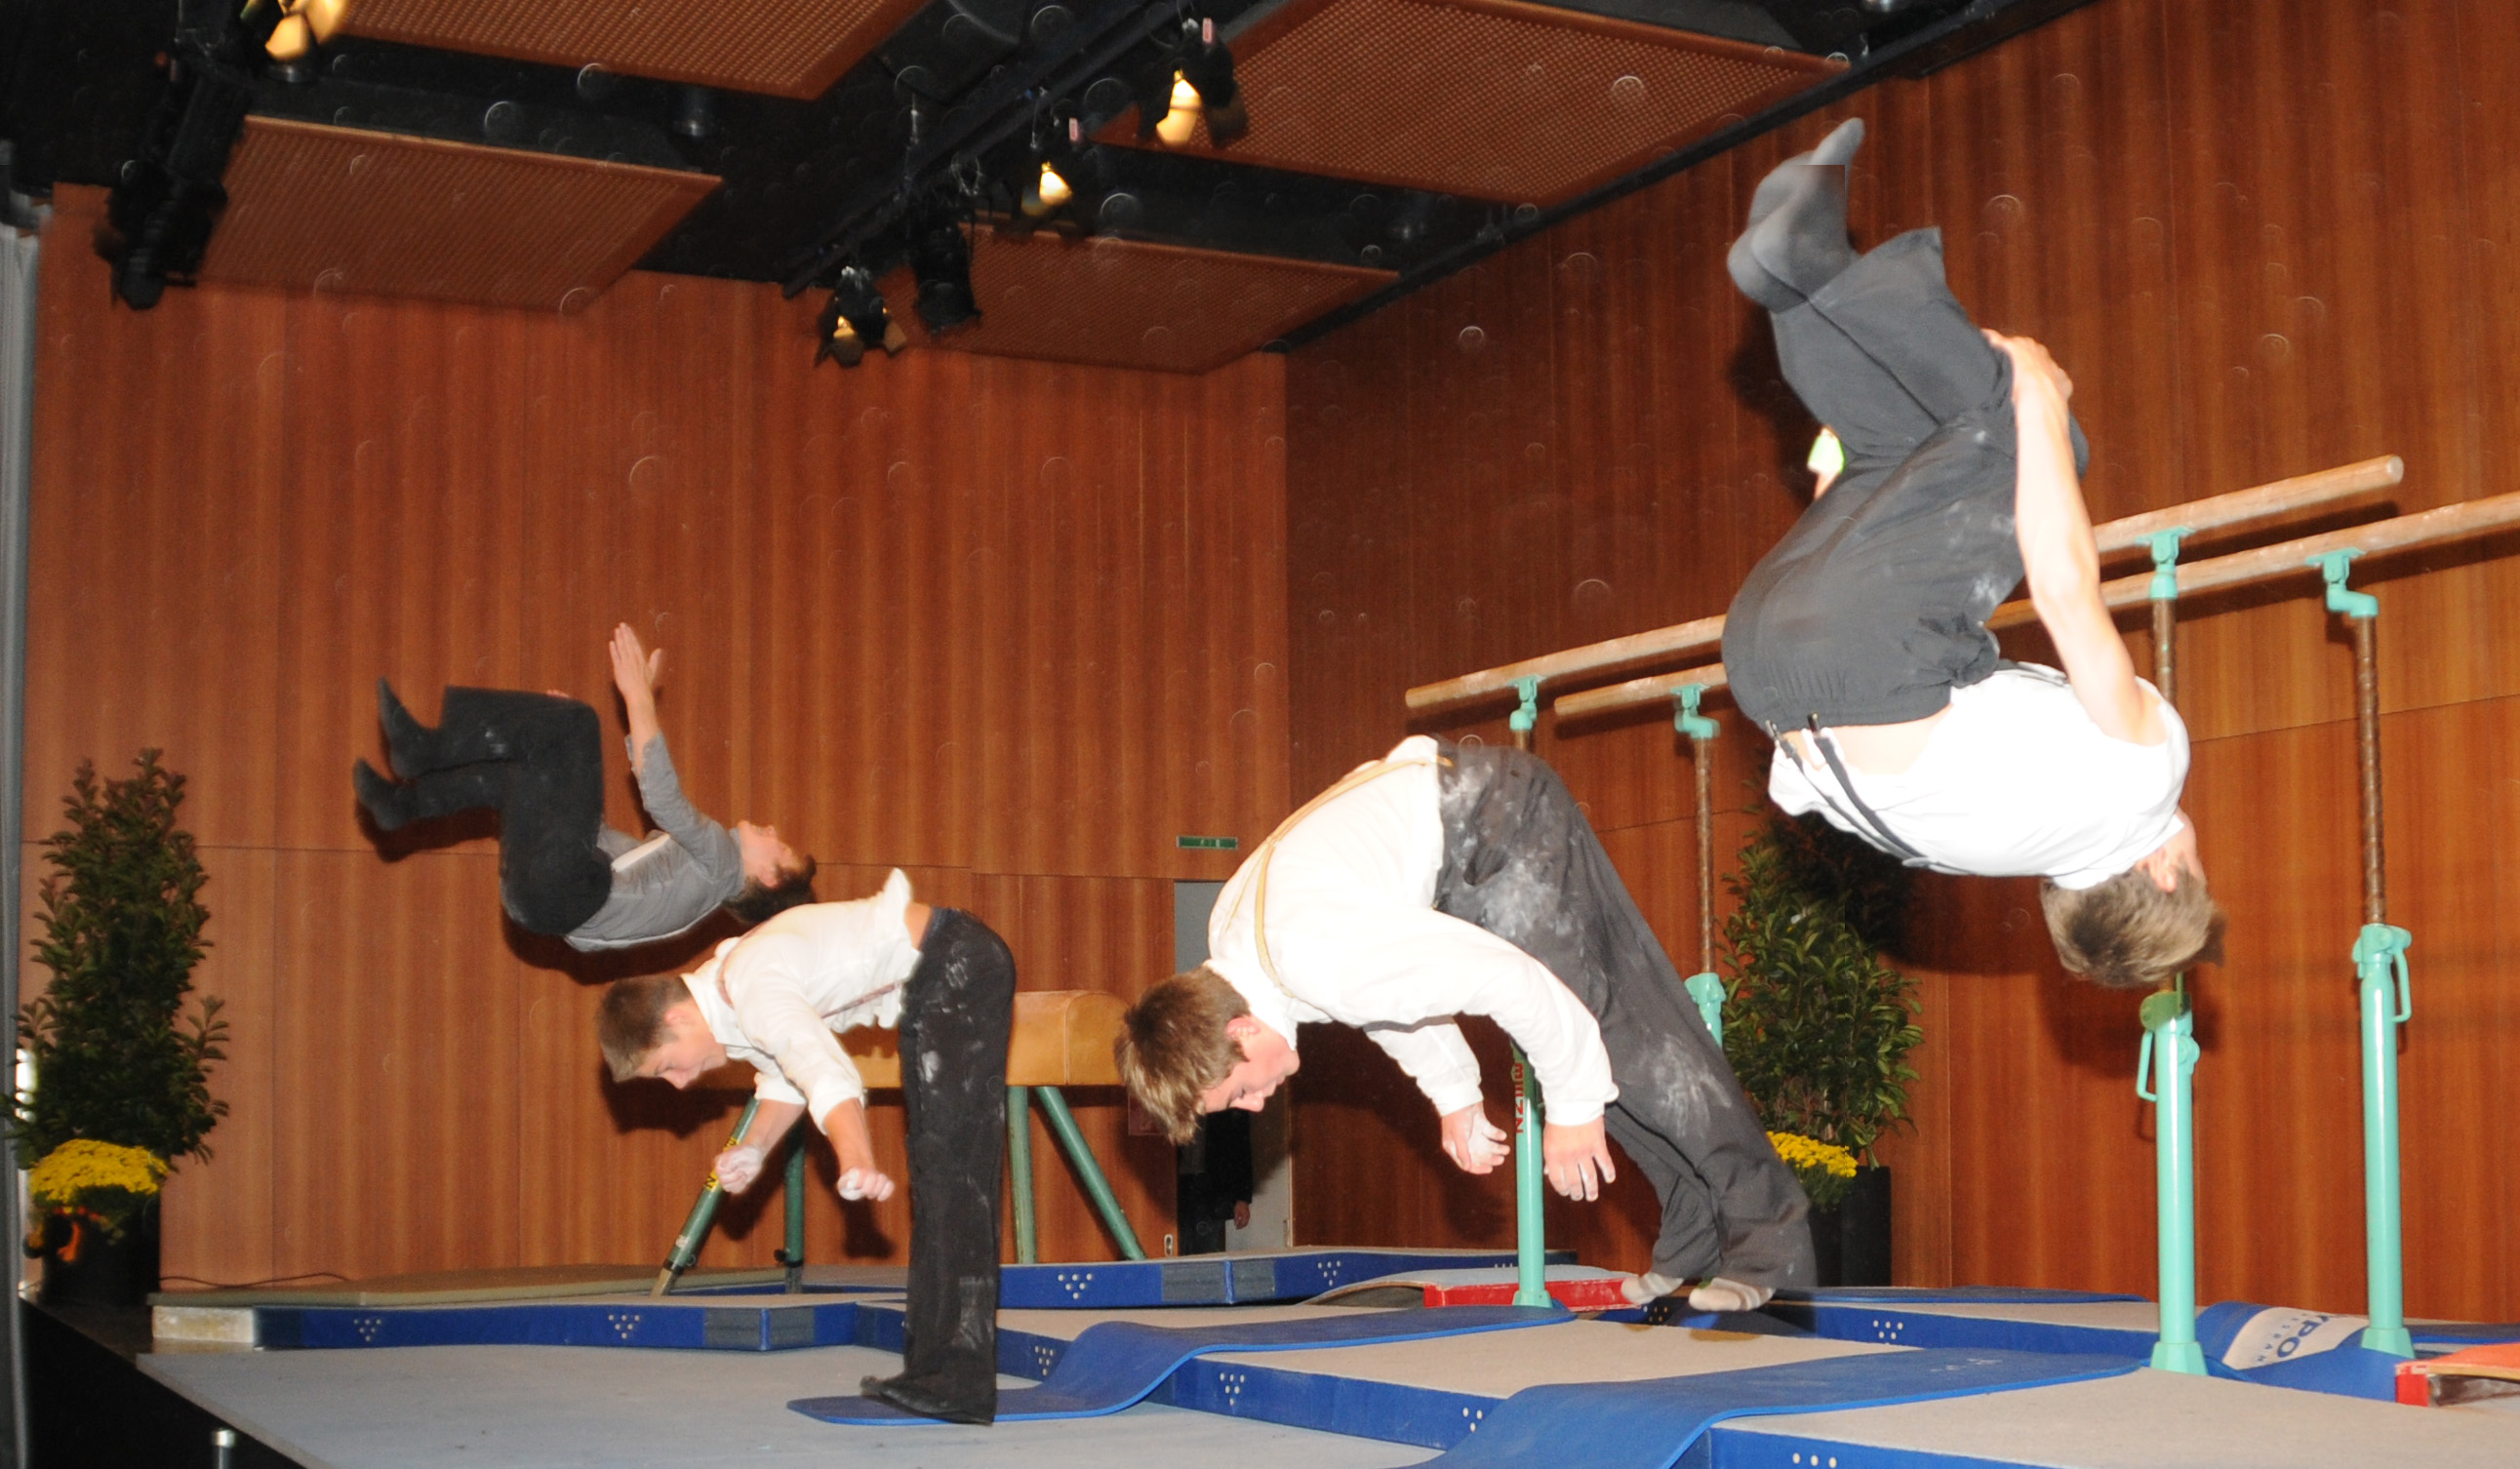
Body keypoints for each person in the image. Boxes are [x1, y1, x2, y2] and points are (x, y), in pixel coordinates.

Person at [1720, 118, 2220, 990]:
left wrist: (2037, 392)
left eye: (2197, 865)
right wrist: (1839, 509)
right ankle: (1792, 281)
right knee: (1898, 445)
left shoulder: (2145, 787)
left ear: (2164, 873)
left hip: (1869, 655)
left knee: (2040, 445)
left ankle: (1808, 264)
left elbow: (2063, 591)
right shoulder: (1976, 853)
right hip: (1761, 672)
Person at [1116, 736, 1812, 1312]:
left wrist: (1573, 1109)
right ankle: (1693, 1218)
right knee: (1585, 1044)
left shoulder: (1321, 956)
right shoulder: (1240, 946)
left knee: (1614, 1030)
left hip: (1499, 820)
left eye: (1239, 1092)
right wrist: (1454, 1094)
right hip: (1459, 833)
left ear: (1239, 1031)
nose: (1256, 1105)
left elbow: (1512, 981)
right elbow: (1386, 998)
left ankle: (1770, 1230)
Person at [598, 872, 1016, 1424]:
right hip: (936, 973)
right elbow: (784, 1079)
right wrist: (754, 1147)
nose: (678, 1083)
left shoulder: (752, 987)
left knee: (952, 1173)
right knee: (939, 1172)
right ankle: (937, 1374)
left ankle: (956, 1382)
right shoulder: (727, 993)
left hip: (956, 962)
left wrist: (856, 1155)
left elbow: (822, 1069)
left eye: (667, 1066)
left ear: (677, 1017)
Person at [352, 624, 815, 950]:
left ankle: (424, 752)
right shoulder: (693, 893)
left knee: (579, 721)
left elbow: (662, 798)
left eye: (781, 846)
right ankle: (403, 804)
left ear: (767, 877)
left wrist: (637, 698)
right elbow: (598, 863)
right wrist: (558, 757)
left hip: (564, 891)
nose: (773, 831)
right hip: (537, 907)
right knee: (523, 770)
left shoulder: (723, 859)